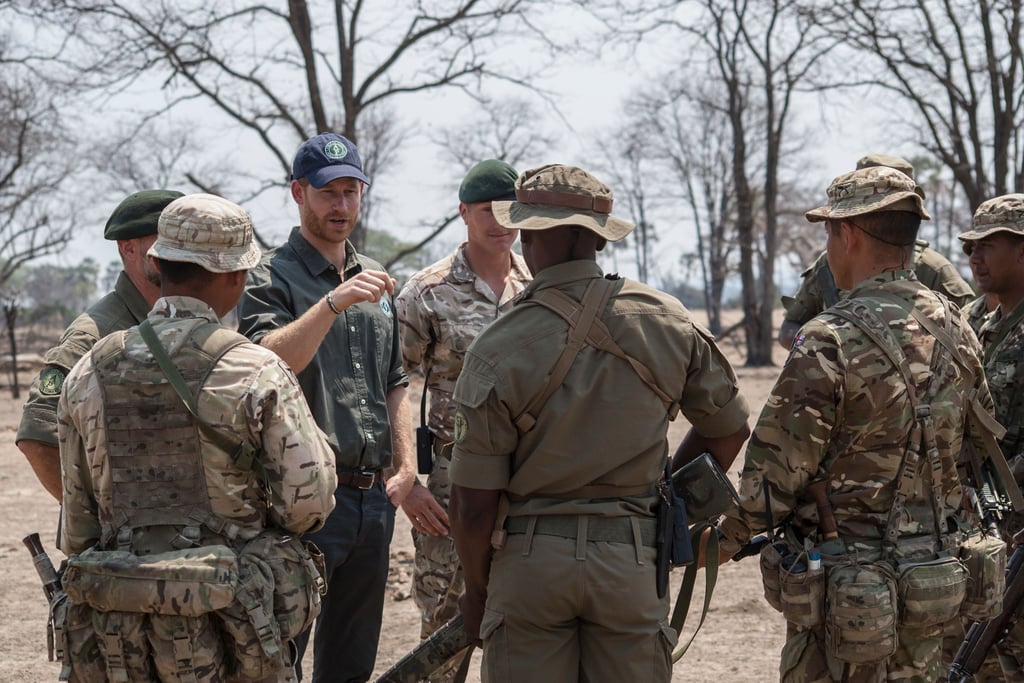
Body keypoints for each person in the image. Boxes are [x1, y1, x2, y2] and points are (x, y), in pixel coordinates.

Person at [448, 164, 751, 683]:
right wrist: (669, 503)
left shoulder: (498, 343)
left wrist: (477, 594)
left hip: (529, 567)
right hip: (631, 560)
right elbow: (729, 428)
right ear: (598, 240)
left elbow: (474, 507)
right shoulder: (666, 319)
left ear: (530, 233)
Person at [718, 166, 1000, 682]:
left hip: (846, 598)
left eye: (829, 233)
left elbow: (770, 482)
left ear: (846, 234)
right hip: (933, 587)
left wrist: (717, 542)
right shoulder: (960, 330)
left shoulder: (829, 337)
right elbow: (975, 453)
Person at [58, 193, 337, 681]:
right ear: (236, 276)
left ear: (157, 265)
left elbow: (79, 528)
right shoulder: (256, 370)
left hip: (121, 634)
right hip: (234, 629)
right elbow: (309, 504)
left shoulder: (89, 370)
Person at [238, 132, 423, 683]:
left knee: (351, 660)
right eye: (328, 193)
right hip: (301, 501)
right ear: (298, 193)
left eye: (351, 192)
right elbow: (267, 363)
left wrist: (407, 468)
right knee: (280, 655)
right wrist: (332, 302)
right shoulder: (270, 277)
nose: (341, 206)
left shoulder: (377, 278)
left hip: (373, 501)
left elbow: (395, 380)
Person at [395, 158, 532, 681]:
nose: (499, 222)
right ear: (463, 214)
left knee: (524, 624)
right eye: (485, 211)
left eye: (509, 210)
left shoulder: (540, 286)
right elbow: (390, 389)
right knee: (445, 626)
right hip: (455, 481)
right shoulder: (427, 293)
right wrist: (406, 481)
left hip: (530, 481)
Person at [18, 189, 182, 500]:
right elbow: (37, 436)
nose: (179, 253)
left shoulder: (184, 320)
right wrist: (93, 524)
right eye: (165, 242)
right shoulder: (93, 336)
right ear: (129, 248)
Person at [778, 153, 975, 349]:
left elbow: (968, 331)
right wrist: (820, 344)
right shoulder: (829, 263)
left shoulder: (934, 269)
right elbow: (790, 326)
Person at [958, 194, 1024, 680]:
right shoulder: (973, 323)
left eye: (987, 246)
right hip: (977, 526)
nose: (974, 258)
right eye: (969, 248)